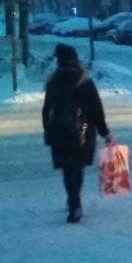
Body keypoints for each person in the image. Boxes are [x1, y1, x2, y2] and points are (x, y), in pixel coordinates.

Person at [42, 43, 112, 224]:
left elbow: (47, 110)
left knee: (67, 170)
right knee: (77, 168)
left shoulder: (53, 81)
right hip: (83, 133)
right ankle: (75, 202)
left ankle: (74, 203)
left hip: (60, 133)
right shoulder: (84, 81)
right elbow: (96, 109)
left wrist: (49, 130)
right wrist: (105, 132)